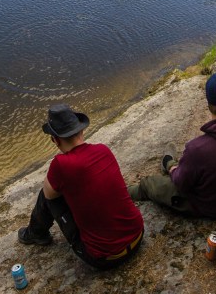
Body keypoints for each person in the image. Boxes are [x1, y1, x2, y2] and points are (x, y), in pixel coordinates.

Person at [17, 104, 144, 270]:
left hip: (104, 258)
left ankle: (35, 234)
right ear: (81, 130)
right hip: (137, 236)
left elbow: (49, 195)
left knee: (47, 193)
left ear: (55, 140)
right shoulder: (103, 150)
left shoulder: (61, 164)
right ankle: (36, 233)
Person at [128, 71, 216, 219]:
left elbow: (181, 184)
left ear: (209, 104)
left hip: (211, 209)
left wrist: (174, 171)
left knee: (149, 183)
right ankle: (169, 164)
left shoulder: (198, 149)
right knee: (192, 167)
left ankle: (124, 192)